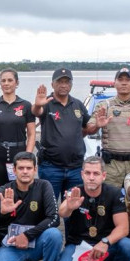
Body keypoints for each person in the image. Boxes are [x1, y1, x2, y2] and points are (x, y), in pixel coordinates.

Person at [55, 157, 130, 261]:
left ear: (103, 176)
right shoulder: (75, 191)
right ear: (82, 174)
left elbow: (123, 228)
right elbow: (62, 212)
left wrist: (105, 242)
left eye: (96, 173)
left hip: (105, 246)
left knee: (127, 246)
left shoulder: (115, 193)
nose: (91, 177)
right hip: (79, 245)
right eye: (88, 173)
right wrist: (70, 207)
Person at [0, 151, 62, 261]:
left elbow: (54, 218)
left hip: (37, 240)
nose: (25, 171)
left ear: (35, 169)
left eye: (29, 168)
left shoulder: (44, 186)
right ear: (14, 170)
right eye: (21, 168)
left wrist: (27, 235)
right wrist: (2, 210)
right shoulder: (4, 190)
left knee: (55, 235)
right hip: (13, 243)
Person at [32, 68, 93, 200]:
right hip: (50, 167)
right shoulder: (46, 103)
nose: (64, 85)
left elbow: (88, 128)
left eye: (67, 82)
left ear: (71, 84)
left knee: (73, 206)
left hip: (76, 168)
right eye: (60, 82)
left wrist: (98, 125)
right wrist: (37, 105)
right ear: (52, 84)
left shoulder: (78, 104)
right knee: (49, 205)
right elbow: (36, 112)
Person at [0, 69, 36, 191]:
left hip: (19, 154)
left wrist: (28, 155)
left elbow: (31, 134)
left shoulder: (26, 105)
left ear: (17, 83)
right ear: (0, 84)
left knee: (20, 191)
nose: (6, 83)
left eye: (10, 80)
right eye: (3, 81)